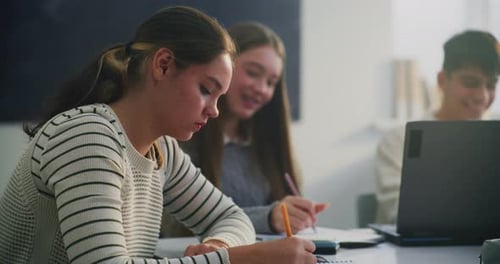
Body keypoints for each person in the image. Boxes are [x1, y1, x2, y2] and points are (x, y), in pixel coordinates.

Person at [0, 6, 318, 264]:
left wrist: (219, 245)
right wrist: (235, 259)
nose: (215, 111)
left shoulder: (163, 150)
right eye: (206, 90)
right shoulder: (87, 137)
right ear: (163, 65)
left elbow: (232, 217)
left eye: (219, 97)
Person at [161, 22, 328, 237]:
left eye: (271, 82)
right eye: (253, 73)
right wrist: (268, 217)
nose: (261, 89)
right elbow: (173, 227)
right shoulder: (179, 141)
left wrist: (295, 217)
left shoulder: (271, 149)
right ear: (223, 68)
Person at [375, 30, 500, 224]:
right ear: (442, 80)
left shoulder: (495, 137)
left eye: (491, 85)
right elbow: (397, 211)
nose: (482, 96)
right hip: (419, 251)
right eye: (471, 83)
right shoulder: (398, 140)